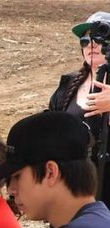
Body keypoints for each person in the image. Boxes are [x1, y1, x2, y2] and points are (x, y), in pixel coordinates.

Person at [49, 11, 110, 205]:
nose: (91, 44)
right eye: (85, 41)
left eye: (99, 38)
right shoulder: (68, 86)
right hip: (71, 189)